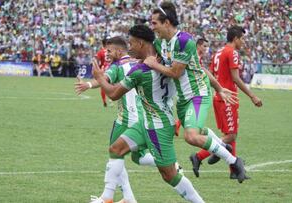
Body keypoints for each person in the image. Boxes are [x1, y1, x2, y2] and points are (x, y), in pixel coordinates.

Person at [93, 24, 205, 203]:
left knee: (170, 176)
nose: (128, 48)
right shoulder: (163, 59)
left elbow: (113, 94)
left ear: (140, 43)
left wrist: (99, 78)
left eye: (130, 44)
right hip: (147, 121)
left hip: (157, 127)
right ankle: (107, 198)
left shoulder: (140, 71)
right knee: (116, 149)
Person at [144, 1, 246, 183]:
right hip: (183, 99)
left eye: (154, 23)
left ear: (166, 22)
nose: (152, 27)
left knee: (191, 136)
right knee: (198, 131)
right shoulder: (160, 43)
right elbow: (200, 68)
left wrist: (154, 64)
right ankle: (223, 146)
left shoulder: (184, 41)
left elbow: (176, 72)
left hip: (198, 95)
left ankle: (234, 161)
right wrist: (219, 88)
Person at [76, 36, 156, 203]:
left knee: (115, 153)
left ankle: (107, 197)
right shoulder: (137, 62)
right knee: (137, 157)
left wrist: (89, 85)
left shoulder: (117, 66)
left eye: (110, 50)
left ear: (120, 51)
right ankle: (128, 198)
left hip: (126, 118)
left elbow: (104, 78)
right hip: (141, 116)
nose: (107, 53)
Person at [193, 25, 263, 179]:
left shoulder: (218, 52)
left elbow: (211, 74)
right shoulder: (232, 52)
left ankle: (234, 171)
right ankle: (199, 156)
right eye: (242, 38)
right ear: (235, 38)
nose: (243, 41)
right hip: (228, 98)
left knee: (231, 134)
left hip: (219, 96)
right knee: (230, 136)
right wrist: (252, 96)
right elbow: (236, 78)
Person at [96, 38, 111, 107]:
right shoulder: (111, 51)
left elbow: (98, 62)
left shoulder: (100, 52)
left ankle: (104, 101)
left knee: (103, 86)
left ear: (102, 44)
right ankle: (111, 98)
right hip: (112, 68)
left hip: (104, 69)